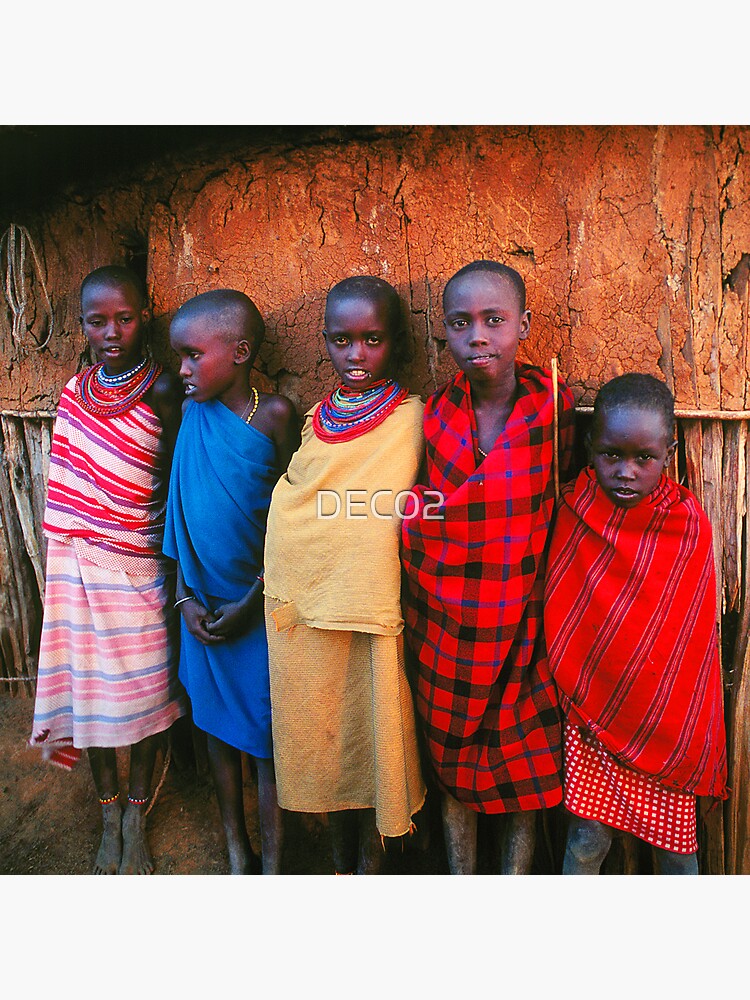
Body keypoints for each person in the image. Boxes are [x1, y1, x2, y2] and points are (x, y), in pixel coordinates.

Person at [401, 260, 575, 874]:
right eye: (461, 322)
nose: (478, 335)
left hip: (527, 620)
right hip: (449, 624)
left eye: (494, 321)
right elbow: (424, 514)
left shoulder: (553, 414)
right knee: (452, 751)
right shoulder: (434, 418)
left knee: (524, 753)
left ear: (523, 325)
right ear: (442, 333)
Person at [263, 275, 426, 874]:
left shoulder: (414, 418)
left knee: (375, 724)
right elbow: (299, 498)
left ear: (398, 343)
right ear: (324, 341)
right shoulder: (312, 419)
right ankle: (334, 859)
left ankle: (372, 865)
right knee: (319, 726)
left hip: (371, 604)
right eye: (342, 340)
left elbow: (404, 505)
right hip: (304, 608)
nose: (356, 355)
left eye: (373, 340)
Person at [30, 264, 187, 875]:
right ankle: (107, 812)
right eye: (99, 321)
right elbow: (67, 491)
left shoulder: (165, 392)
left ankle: (137, 814)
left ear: (146, 313)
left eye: (125, 318)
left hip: (141, 565)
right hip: (75, 570)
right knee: (89, 698)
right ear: (84, 326)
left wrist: (177, 567)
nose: (113, 332)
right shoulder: (75, 392)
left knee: (146, 694)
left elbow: (174, 481)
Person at [544, 373, 728, 874]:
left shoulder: (685, 524)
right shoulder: (576, 510)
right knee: (585, 842)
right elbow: (565, 611)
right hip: (593, 723)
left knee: (676, 856)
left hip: (666, 729)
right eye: (611, 455)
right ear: (589, 445)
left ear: (669, 452)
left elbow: (689, 643)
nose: (626, 472)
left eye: (643, 458)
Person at [164, 289, 298, 875]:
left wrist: (254, 601)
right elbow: (179, 508)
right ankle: (235, 847)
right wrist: (186, 598)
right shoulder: (189, 413)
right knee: (217, 732)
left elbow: (295, 520)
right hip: (204, 610)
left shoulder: (275, 417)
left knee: (268, 739)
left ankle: (273, 859)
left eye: (194, 355)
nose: (183, 370)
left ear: (240, 352)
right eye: (179, 358)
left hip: (260, 608)